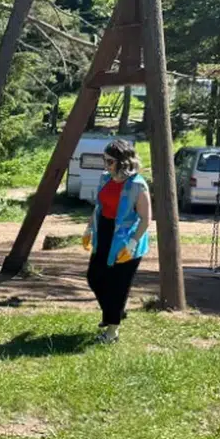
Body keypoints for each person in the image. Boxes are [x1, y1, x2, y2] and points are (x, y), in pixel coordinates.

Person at [81, 138, 152, 344]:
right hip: (104, 232)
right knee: (94, 277)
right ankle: (114, 311)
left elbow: (146, 218)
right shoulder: (105, 179)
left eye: (110, 161)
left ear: (123, 162)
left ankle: (111, 332)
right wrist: (88, 228)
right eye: (105, 160)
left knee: (117, 286)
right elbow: (98, 207)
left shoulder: (138, 184)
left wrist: (132, 244)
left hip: (127, 239)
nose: (106, 165)